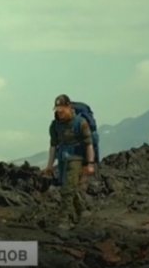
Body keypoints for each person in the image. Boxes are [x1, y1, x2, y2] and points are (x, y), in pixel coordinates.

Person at [44, 94, 95, 230]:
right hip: (62, 160)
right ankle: (82, 213)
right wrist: (49, 165)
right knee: (69, 188)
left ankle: (63, 221)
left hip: (76, 159)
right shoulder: (55, 126)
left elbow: (89, 144)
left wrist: (90, 164)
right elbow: (53, 146)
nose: (59, 112)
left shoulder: (80, 123)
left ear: (68, 107)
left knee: (67, 190)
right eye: (57, 110)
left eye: (62, 109)